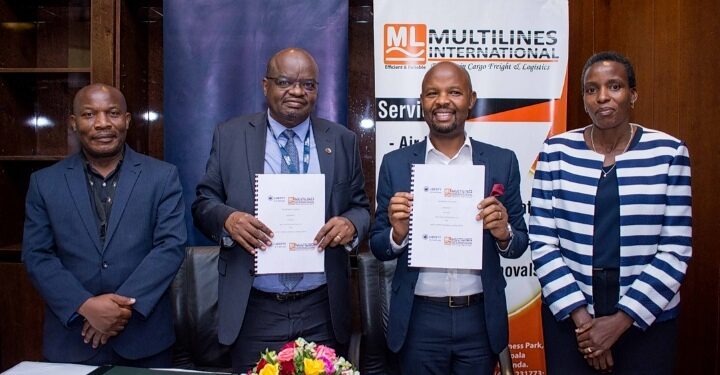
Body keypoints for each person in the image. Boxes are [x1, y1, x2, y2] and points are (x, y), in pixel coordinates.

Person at [192, 47, 370, 373]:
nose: (297, 92)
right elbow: (204, 203)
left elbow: (360, 206)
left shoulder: (342, 140)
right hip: (254, 308)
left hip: (322, 307)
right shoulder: (231, 135)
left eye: (308, 84)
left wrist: (351, 223)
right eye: (285, 81)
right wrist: (227, 219)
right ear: (265, 86)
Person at [529, 51, 692, 374]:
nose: (603, 97)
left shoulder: (669, 153)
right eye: (592, 89)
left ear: (633, 94)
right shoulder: (555, 152)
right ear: (584, 98)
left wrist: (619, 322)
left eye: (614, 86)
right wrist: (585, 325)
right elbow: (543, 242)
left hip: (647, 318)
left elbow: (676, 250)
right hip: (571, 318)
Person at [369, 61, 528, 375]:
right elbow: (378, 245)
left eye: (454, 92)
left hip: (479, 317)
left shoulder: (501, 161)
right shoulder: (396, 164)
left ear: (471, 99)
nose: (442, 101)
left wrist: (503, 232)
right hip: (419, 317)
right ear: (422, 102)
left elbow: (519, 243)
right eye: (432, 93)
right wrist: (397, 234)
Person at [22, 83, 187, 366]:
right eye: (89, 115)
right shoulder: (44, 183)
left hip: (144, 340)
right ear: (74, 123)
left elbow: (170, 247)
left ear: (126, 120)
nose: (102, 124)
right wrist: (86, 306)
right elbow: (37, 255)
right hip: (72, 339)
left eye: (112, 113)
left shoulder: (162, 176)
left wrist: (117, 310)